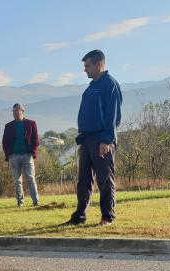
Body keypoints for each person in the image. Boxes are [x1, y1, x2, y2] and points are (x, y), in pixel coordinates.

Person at [67, 49, 123, 226]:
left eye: (87, 65)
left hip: (102, 139)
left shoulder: (109, 84)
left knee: (105, 179)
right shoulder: (91, 87)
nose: (85, 69)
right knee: (84, 180)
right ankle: (79, 216)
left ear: (99, 64)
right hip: (87, 139)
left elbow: (112, 115)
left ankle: (108, 216)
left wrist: (106, 140)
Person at [2, 103, 40, 207]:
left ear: (22, 111)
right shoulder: (8, 126)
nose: (15, 113)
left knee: (31, 178)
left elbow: (36, 140)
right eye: (13, 111)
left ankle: (36, 201)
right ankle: (20, 201)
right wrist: (9, 155)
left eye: (17, 111)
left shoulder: (31, 124)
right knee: (17, 181)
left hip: (27, 156)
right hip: (14, 157)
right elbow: (4, 142)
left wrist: (32, 153)